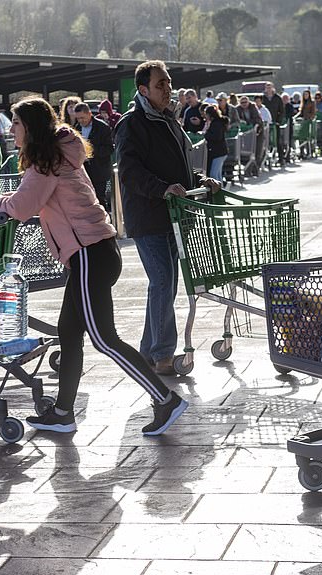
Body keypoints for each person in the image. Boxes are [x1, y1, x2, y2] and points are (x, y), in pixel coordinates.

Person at [0, 97, 188, 436]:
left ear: (29, 127)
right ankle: (63, 412)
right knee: (68, 331)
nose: (11, 130)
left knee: (105, 339)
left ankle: (165, 399)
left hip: (90, 254)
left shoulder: (46, 162)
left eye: (16, 124)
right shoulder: (60, 153)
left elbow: (20, 207)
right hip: (94, 253)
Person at [114, 60, 221, 375]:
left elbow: (180, 169)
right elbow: (130, 173)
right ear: (143, 90)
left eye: (169, 83)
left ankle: (148, 351)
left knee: (164, 284)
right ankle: (162, 355)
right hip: (149, 217)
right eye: (160, 84)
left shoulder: (168, 120)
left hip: (174, 215)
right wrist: (162, 189)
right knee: (162, 282)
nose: (168, 89)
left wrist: (200, 181)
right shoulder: (132, 124)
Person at [73, 102, 114, 211]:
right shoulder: (77, 127)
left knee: (99, 199)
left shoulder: (102, 127)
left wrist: (91, 151)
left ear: (89, 114)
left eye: (82, 117)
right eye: (78, 118)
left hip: (99, 171)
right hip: (83, 170)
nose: (81, 121)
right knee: (84, 199)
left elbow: (109, 148)